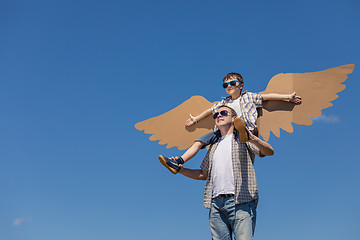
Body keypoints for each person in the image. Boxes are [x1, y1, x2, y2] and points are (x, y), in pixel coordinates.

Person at [159, 72, 300, 174]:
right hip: (222, 133)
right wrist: (195, 119)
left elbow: (267, 97)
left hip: (245, 129)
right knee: (199, 142)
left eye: (233, 83)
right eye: (226, 85)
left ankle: (247, 137)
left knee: (253, 143)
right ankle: (178, 161)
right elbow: (210, 110)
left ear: (241, 85)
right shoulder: (223, 103)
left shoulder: (249, 97)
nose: (229, 86)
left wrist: (288, 97)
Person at [177, 105, 274, 240]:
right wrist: (180, 170)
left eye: (223, 113)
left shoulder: (243, 138)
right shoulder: (214, 146)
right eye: (216, 115)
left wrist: (252, 138)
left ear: (234, 118)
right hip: (216, 203)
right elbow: (202, 174)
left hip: (242, 200)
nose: (219, 116)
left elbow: (269, 151)